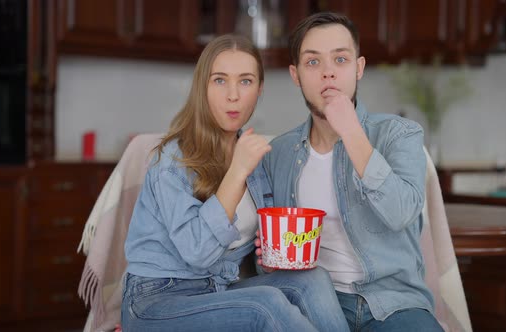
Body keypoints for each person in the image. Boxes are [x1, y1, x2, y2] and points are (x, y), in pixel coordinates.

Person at [121, 34, 349, 332]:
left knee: (312, 278)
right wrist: (236, 171)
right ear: (202, 87)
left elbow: (259, 260)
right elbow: (198, 252)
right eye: (219, 80)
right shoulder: (173, 159)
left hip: (216, 291)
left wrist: (272, 254)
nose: (233, 95)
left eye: (245, 81)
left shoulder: (253, 159)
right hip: (156, 300)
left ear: (259, 89)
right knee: (264, 304)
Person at [260, 12, 444, 332]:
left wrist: (351, 132)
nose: (328, 73)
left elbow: (401, 212)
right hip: (311, 303)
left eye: (340, 59)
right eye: (313, 62)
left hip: (393, 304)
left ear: (358, 68)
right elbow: (271, 257)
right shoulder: (278, 153)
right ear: (296, 75)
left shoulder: (399, 134)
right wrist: (268, 258)